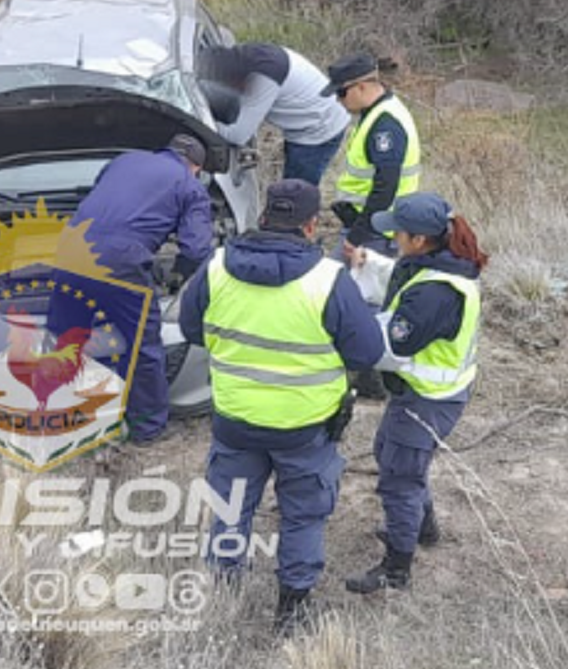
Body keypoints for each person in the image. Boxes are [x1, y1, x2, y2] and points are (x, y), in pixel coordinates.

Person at [177, 179, 385, 635]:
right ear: (312, 226)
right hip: (305, 427)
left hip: (234, 421)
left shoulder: (215, 269)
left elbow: (191, 328)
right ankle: (291, 609)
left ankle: (222, 599)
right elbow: (367, 354)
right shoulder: (329, 281)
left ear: (264, 217)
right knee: (303, 515)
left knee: (231, 509)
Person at [344, 191, 487, 595]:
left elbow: (392, 344)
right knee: (389, 454)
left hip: (428, 397)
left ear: (419, 240)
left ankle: (397, 569)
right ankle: (423, 528)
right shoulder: (438, 266)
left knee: (399, 479)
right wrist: (368, 264)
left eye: (398, 234)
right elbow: (405, 278)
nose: (393, 240)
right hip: (426, 394)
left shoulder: (437, 294)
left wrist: (348, 319)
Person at [70, 133, 214, 445]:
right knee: (141, 346)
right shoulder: (190, 186)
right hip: (120, 262)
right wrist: (178, 276)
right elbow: (196, 249)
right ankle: (146, 429)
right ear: (196, 168)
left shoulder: (123, 160)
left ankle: (81, 421)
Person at [200, 43, 351, 184]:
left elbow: (238, 135)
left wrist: (197, 119)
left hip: (320, 130)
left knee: (295, 195)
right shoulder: (246, 56)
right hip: (314, 115)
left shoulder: (263, 79)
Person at [323, 53, 421, 253]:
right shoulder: (377, 112)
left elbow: (386, 186)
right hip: (370, 227)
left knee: (339, 283)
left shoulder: (384, 125)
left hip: (374, 233)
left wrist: (358, 235)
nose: (338, 100)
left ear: (361, 86)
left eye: (341, 93)